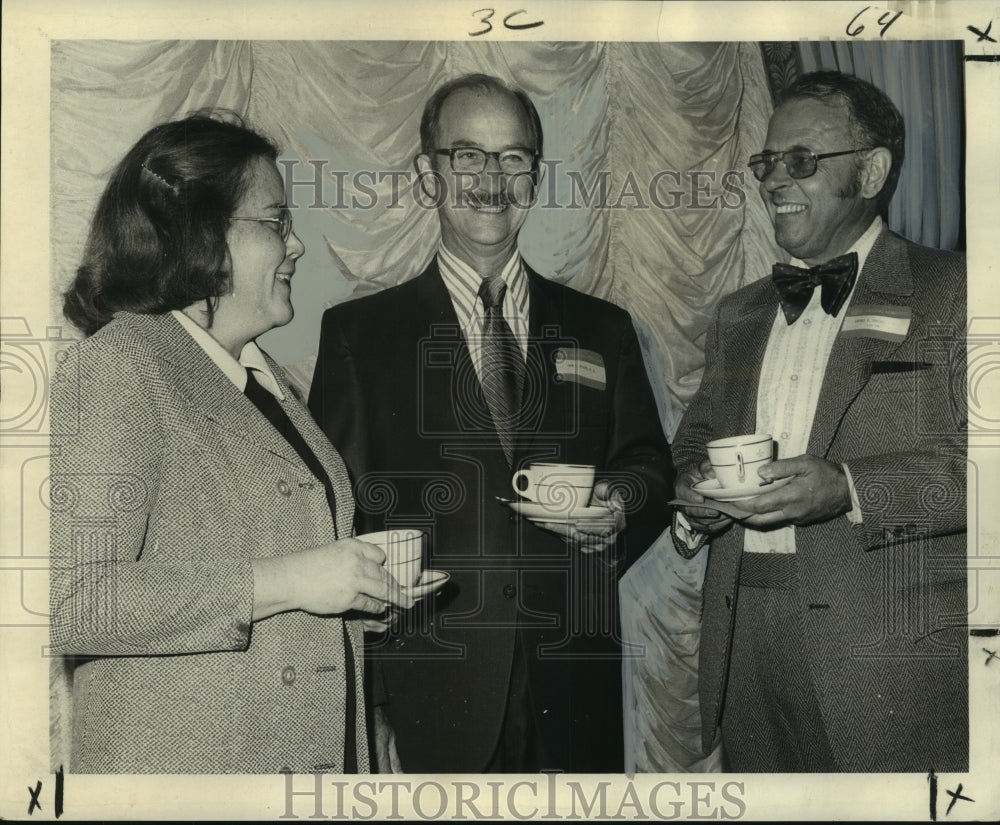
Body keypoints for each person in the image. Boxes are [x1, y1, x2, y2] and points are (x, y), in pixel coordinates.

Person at [48, 113, 439, 774]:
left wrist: (357, 594)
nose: (297, 246)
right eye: (275, 222)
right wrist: (286, 581)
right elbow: (73, 599)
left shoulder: (267, 377)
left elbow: (279, 584)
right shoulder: (118, 364)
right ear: (200, 234)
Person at [308, 74, 674, 773]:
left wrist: (618, 505)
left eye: (513, 159)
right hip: (429, 693)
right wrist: (374, 701)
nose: (491, 179)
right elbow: (339, 523)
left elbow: (650, 467)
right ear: (428, 174)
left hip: (575, 684)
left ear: (535, 178)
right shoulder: (360, 334)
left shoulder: (603, 327)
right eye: (467, 155)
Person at [672, 71, 967, 772]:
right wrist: (692, 496)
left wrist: (848, 488)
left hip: (895, 661)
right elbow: (691, 443)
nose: (775, 179)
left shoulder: (958, 289)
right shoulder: (738, 314)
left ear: (871, 170)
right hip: (745, 651)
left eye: (800, 160)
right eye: (767, 161)